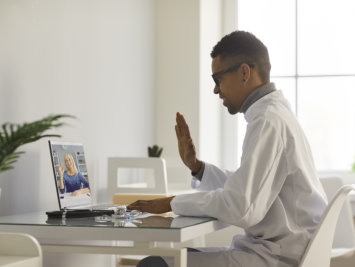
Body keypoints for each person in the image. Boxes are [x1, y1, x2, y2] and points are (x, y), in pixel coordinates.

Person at [128, 30, 327, 267]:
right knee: (172, 258)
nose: (215, 90)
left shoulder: (267, 121)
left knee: (153, 265)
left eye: (218, 79)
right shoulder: (275, 115)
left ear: (244, 72)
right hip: (277, 250)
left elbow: (241, 208)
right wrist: (198, 168)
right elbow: (247, 188)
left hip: (275, 258)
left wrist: (173, 202)